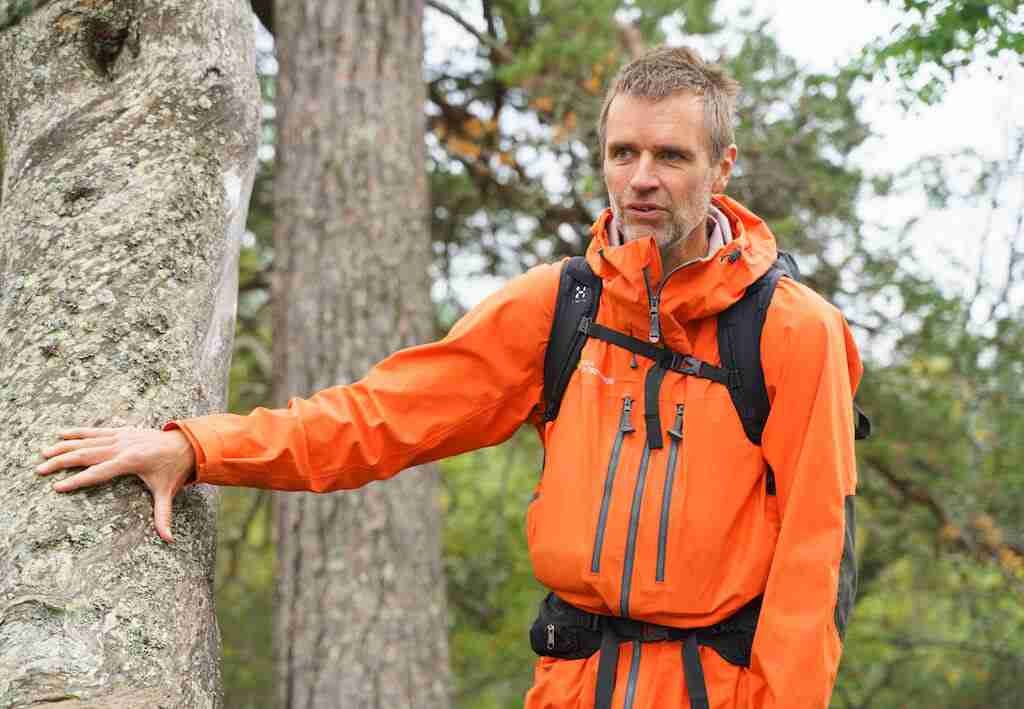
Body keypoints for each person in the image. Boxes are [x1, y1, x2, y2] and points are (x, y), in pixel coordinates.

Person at [37, 46, 862, 709]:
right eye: (623, 151)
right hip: (568, 681)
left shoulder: (792, 329)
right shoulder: (562, 306)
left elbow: (815, 561)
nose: (642, 176)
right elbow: (378, 417)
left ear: (722, 167)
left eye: (671, 154)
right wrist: (198, 447)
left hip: (715, 688)